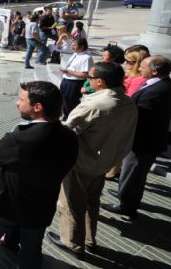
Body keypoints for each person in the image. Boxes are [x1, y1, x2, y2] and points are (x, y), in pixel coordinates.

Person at [0, 81, 78, 269]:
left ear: (37, 107)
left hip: (8, 204)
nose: (16, 103)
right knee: (31, 250)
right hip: (41, 206)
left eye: (21, 99)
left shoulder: (20, 138)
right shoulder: (70, 137)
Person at [48, 62, 137, 259]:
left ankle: (73, 243)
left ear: (100, 82)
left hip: (81, 163)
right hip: (104, 162)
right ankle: (89, 239)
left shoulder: (94, 105)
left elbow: (67, 131)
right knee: (91, 202)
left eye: (89, 77)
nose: (87, 80)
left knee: (71, 204)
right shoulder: (127, 101)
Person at [102, 56, 171, 217]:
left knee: (134, 174)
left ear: (154, 71)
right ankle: (125, 195)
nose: (139, 69)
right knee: (131, 174)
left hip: (143, 142)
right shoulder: (162, 84)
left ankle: (127, 205)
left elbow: (139, 117)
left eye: (142, 66)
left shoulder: (157, 91)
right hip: (146, 140)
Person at [59, 38, 93, 119]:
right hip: (66, 80)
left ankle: (72, 118)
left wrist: (68, 71)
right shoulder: (75, 54)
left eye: (74, 45)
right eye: (72, 45)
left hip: (74, 83)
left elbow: (84, 74)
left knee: (71, 102)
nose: (72, 47)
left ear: (82, 46)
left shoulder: (86, 58)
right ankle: (66, 115)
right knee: (63, 100)